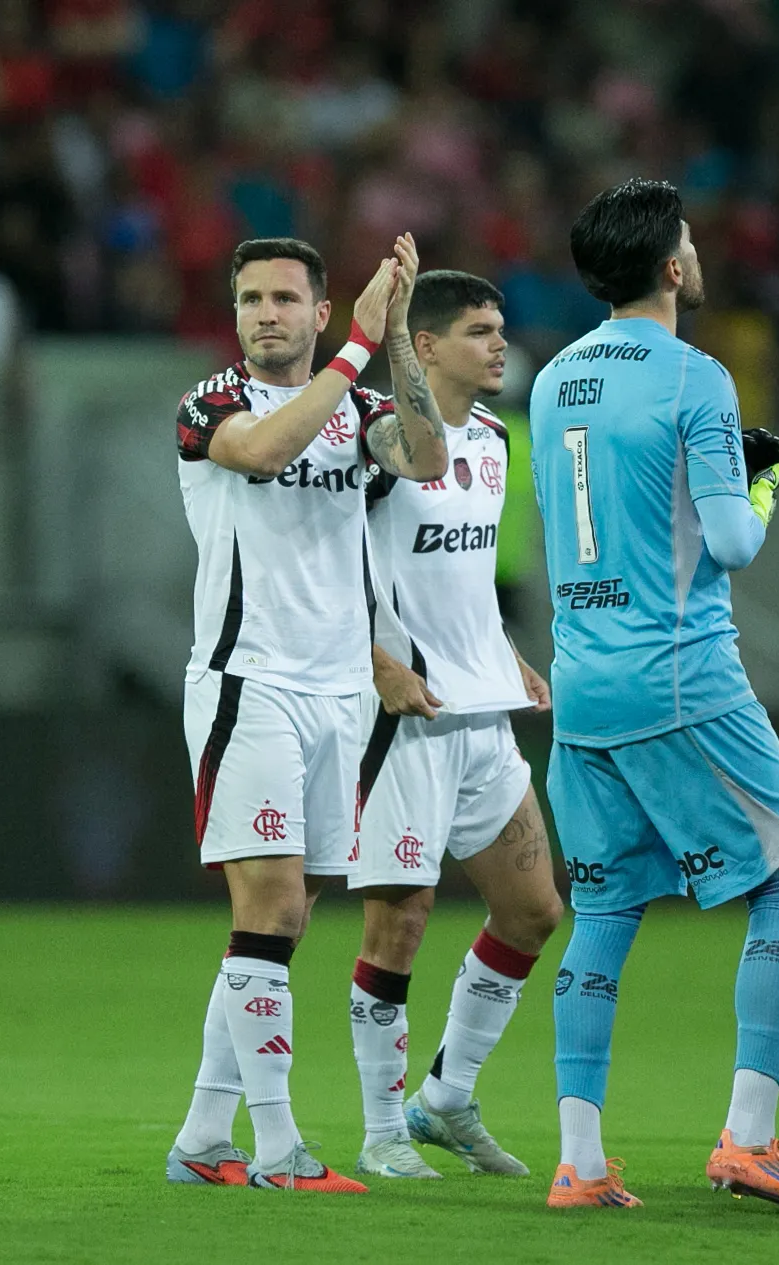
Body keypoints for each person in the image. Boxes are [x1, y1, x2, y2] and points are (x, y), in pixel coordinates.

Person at [529, 178, 779, 1214]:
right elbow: (733, 543)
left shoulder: (550, 378)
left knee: (607, 905)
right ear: (671, 266)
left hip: (579, 683)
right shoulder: (695, 379)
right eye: (692, 241)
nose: (700, 251)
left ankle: (578, 1161)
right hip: (678, 675)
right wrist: (756, 480)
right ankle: (750, 1139)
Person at [165, 234, 448, 1193]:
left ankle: (205, 1138)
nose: (265, 314)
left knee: (283, 920)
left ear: (319, 310)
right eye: (250, 299)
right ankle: (280, 1149)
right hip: (249, 682)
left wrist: (399, 338)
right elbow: (267, 449)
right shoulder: (215, 404)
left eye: (285, 298)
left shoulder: (360, 401)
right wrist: (359, 351)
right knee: (274, 906)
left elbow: (423, 455)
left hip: (338, 691)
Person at [347, 270, 563, 1180]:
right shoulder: (371, 435)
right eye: (477, 330)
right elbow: (318, 564)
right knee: (400, 925)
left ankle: (442, 1098)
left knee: (533, 908)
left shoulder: (500, 441)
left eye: (499, 326)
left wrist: (504, 647)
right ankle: (380, 1133)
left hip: (484, 712)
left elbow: (463, 573)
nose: (498, 343)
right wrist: (374, 660)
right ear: (423, 346)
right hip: (405, 716)